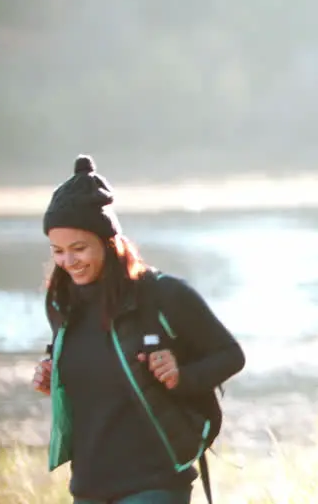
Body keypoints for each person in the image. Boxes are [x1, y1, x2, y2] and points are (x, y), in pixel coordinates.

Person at [33, 154, 246, 504]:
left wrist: (182, 376)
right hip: (88, 484)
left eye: (79, 248)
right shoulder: (61, 302)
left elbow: (230, 355)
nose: (68, 262)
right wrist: (50, 373)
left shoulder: (163, 294)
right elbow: (72, 354)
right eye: (57, 251)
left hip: (156, 480)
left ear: (108, 241)